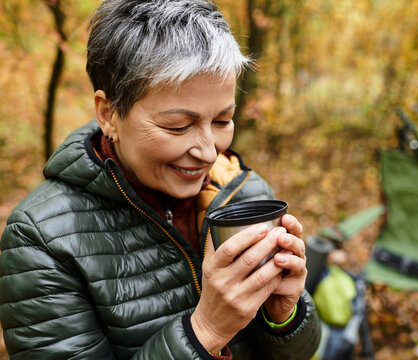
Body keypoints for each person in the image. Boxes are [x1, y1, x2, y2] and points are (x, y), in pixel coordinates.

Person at [0, 1, 321, 359]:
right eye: (178, 126)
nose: (209, 153)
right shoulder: (41, 239)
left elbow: (299, 351)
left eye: (221, 121)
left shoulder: (242, 192)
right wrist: (207, 330)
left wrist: (284, 316)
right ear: (109, 114)